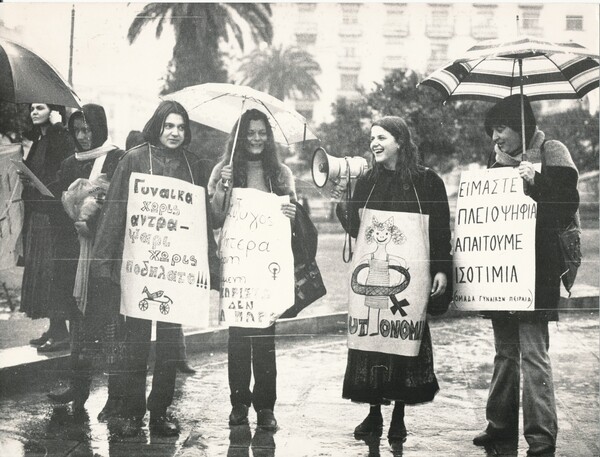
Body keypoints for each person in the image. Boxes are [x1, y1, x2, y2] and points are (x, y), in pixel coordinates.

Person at [90, 101, 219, 436]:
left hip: (175, 272)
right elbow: (115, 210)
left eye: (181, 127)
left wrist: (210, 263)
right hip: (138, 269)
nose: (175, 133)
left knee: (167, 347)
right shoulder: (134, 158)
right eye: (169, 126)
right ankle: (132, 413)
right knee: (134, 342)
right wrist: (103, 262)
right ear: (158, 126)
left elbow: (204, 218)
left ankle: (160, 412)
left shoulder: (193, 166)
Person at [331, 116, 452, 442]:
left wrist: (441, 268)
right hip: (374, 277)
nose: (374, 143)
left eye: (382, 137)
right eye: (372, 137)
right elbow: (357, 229)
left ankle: (398, 415)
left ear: (400, 141)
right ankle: (373, 414)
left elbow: (440, 230)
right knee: (371, 345)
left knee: (403, 344)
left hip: (410, 283)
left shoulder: (427, 182)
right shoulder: (367, 181)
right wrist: (343, 201)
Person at [472, 94, 579, 457]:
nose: (495, 138)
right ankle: (498, 426)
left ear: (521, 126)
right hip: (503, 274)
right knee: (505, 352)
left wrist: (536, 181)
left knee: (533, 353)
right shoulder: (495, 162)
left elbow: (566, 207)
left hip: (538, 271)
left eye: (500, 128)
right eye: (492, 131)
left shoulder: (553, 152)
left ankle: (541, 437)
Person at [208, 108, 297, 430]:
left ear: (268, 137)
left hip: (266, 273)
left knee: (264, 341)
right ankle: (238, 404)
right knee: (237, 340)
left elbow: (294, 219)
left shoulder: (281, 173)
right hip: (238, 270)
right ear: (240, 136)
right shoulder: (225, 169)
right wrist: (222, 187)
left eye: (262, 133)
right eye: (251, 133)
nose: (256, 139)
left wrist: (291, 210)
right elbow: (215, 219)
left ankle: (265, 408)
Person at [45, 103, 125, 417]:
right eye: (78, 130)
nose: (84, 136)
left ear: (101, 127)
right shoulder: (69, 163)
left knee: (109, 328)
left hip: (104, 256)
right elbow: (58, 204)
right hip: (76, 255)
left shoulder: (117, 158)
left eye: (89, 129)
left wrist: (91, 221)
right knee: (79, 326)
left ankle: (115, 397)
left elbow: (119, 205)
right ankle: (77, 391)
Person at [18, 103, 75, 352]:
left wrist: (56, 126)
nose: (33, 111)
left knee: (53, 273)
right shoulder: (39, 141)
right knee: (43, 273)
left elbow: (62, 168)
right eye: (31, 108)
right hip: (38, 214)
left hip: (52, 217)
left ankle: (61, 332)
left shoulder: (58, 137)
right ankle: (55, 328)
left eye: (39, 107)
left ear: (53, 110)